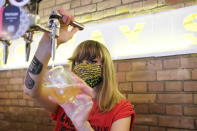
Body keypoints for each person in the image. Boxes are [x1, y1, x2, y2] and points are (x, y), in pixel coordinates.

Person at [24, 8, 135, 131]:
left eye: (92, 61)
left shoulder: (121, 108)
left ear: (105, 68)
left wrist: (83, 125)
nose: (84, 66)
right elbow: (30, 89)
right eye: (79, 61)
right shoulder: (66, 96)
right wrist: (48, 42)